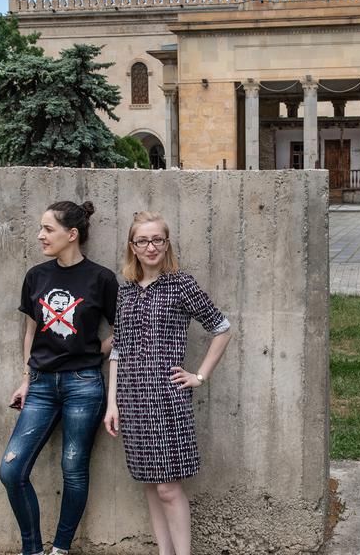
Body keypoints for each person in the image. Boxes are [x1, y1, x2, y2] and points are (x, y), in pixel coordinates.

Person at [104, 211, 232, 555]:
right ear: (132, 246)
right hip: (131, 399)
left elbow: (221, 328)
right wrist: (112, 402)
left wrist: (199, 376)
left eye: (157, 239)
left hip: (166, 398)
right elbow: (119, 348)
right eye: (142, 240)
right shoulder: (126, 290)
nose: (150, 247)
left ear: (167, 242)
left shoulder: (181, 284)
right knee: (149, 483)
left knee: (167, 488)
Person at [0, 200, 118, 555]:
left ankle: (60, 550)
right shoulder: (37, 276)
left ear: (72, 234)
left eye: (48, 229)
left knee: (73, 468)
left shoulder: (101, 278)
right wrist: (26, 378)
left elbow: (123, 329)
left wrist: (93, 350)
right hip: (40, 385)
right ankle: (33, 549)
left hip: (84, 385)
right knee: (12, 471)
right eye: (41, 228)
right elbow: (30, 332)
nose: (40, 235)